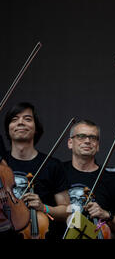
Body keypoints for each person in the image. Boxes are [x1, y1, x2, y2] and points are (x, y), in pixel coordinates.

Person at [1, 102, 70, 239]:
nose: (20, 122)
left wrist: (44, 207)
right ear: (8, 128)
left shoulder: (52, 165)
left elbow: (68, 210)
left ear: (36, 128)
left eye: (27, 119)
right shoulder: (1, 164)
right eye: (14, 119)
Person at [64, 119, 115, 238]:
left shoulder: (111, 180)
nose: (87, 141)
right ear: (70, 143)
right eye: (81, 136)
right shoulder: (57, 171)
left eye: (93, 138)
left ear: (97, 146)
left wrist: (106, 214)